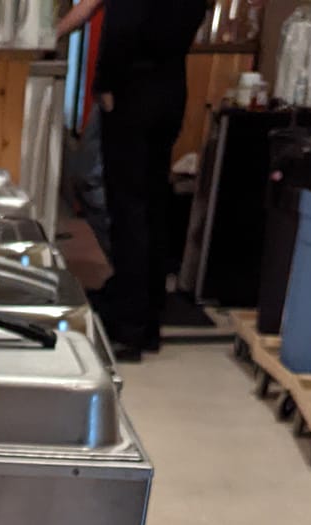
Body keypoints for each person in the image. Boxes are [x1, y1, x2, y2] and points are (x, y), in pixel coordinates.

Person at [52, 0, 206, 358]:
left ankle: (129, 326)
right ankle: (147, 316)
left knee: (128, 208)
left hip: (131, 91)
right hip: (171, 87)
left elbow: (122, 27)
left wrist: (105, 84)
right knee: (153, 203)